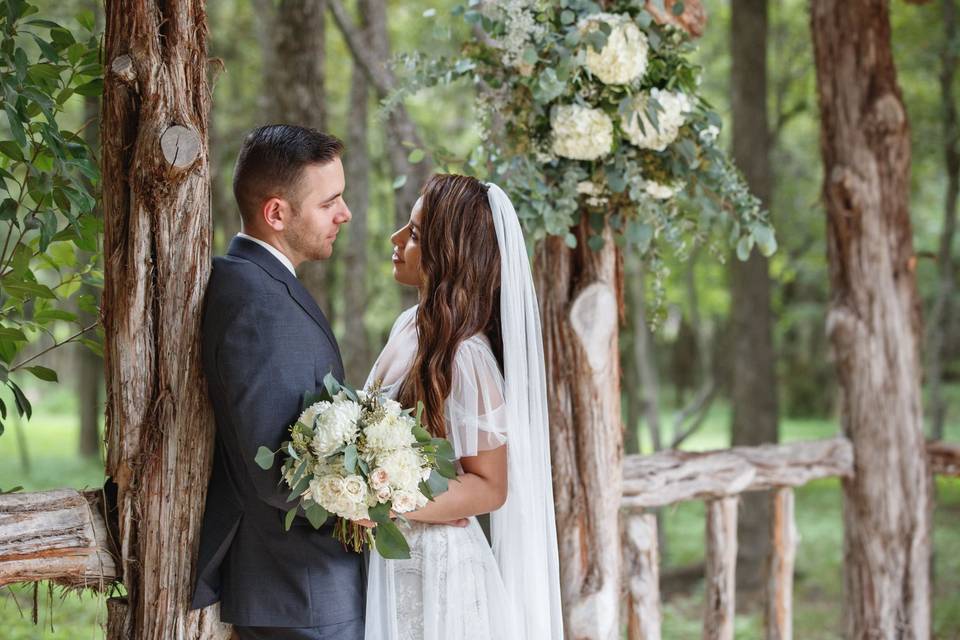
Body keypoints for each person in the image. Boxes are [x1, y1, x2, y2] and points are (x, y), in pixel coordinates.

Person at [363, 174, 564, 640]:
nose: (396, 240)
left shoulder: (466, 355)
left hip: (438, 569)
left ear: (447, 254)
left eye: (413, 235)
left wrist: (389, 501)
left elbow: (491, 487)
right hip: (393, 556)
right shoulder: (407, 325)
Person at [190, 124, 364, 640]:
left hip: (302, 588)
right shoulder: (256, 303)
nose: (345, 213)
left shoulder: (260, 284)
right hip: (299, 590)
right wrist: (369, 494)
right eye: (329, 201)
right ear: (276, 213)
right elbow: (274, 471)